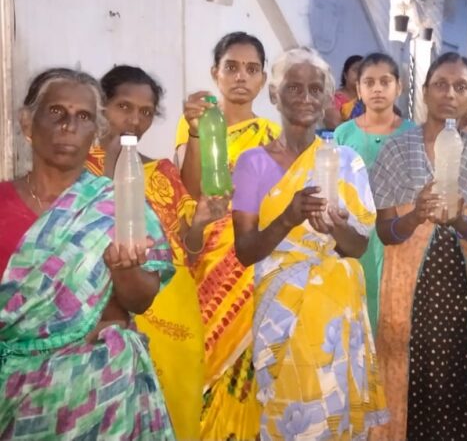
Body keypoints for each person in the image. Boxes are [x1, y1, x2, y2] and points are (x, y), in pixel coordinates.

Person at [201, 47, 388, 440]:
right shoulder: (253, 163)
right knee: (287, 413)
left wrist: (335, 227)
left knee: (331, 416)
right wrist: (289, 216)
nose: (305, 97)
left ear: (327, 97)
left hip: (334, 312)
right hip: (279, 310)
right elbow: (246, 251)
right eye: (294, 88)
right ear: (275, 94)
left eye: (315, 89)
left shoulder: (345, 161)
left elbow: (357, 247)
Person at [0, 68, 175, 438]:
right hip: (19, 396)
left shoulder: (116, 204)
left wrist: (124, 269)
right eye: (56, 112)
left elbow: (141, 300)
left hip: (105, 391)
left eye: (83, 117)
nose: (69, 126)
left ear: (96, 131)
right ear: (27, 122)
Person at [371, 52, 467, 440]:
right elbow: (385, 232)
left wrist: (461, 222)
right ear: (425, 92)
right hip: (408, 299)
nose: (449, 94)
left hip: (466, 298)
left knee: (462, 388)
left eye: (461, 87)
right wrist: (415, 216)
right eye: (441, 85)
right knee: (409, 388)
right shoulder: (395, 151)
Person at [86, 65, 229, 440]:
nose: (135, 120)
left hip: (177, 318)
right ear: (101, 107)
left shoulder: (162, 172)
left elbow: (189, 251)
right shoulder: (78, 171)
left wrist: (200, 222)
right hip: (112, 318)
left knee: (176, 420)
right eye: (124, 107)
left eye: (146, 112)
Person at [176, 32, 281, 388]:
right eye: (231, 67)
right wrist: (195, 133)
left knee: (247, 372)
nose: (241, 77)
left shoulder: (272, 136)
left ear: (262, 79)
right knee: (205, 359)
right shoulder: (195, 124)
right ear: (215, 73)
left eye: (251, 69)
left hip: (253, 265)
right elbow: (189, 192)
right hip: (204, 255)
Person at [334, 52, 415, 334]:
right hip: (356, 235)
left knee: (397, 311)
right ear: (358, 89)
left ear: (399, 87)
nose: (377, 89)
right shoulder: (343, 134)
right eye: (369, 82)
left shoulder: (413, 133)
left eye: (385, 81)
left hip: (399, 235)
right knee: (359, 310)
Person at [324, 54, 364, 129]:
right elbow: (335, 124)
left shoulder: (368, 99)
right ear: (345, 75)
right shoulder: (334, 98)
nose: (359, 75)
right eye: (356, 70)